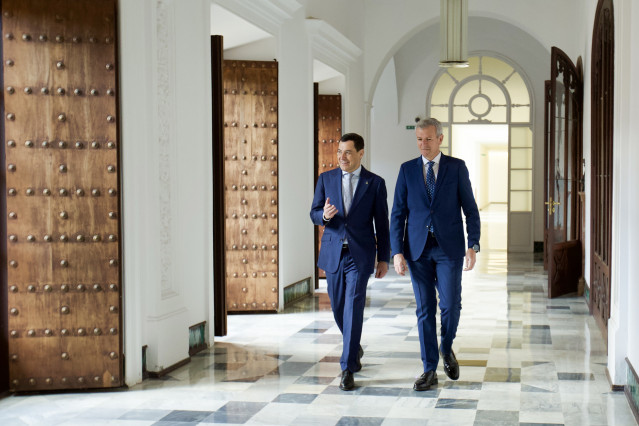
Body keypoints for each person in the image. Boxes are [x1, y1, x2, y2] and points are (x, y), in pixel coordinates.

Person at [390, 118, 480, 391]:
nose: (423, 145)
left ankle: (446, 346)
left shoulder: (456, 167)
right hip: (417, 250)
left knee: (451, 305)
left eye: (428, 139)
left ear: (440, 138)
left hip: (448, 248)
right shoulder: (407, 170)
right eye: (419, 139)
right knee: (425, 309)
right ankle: (429, 369)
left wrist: (473, 244)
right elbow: (397, 213)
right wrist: (396, 252)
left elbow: (470, 209)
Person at [310, 133, 390, 391]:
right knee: (337, 307)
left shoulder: (375, 183)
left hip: (361, 254)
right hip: (334, 253)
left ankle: (347, 368)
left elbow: (382, 224)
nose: (342, 157)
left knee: (354, 306)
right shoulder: (326, 179)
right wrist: (323, 215)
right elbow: (313, 212)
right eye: (339, 152)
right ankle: (353, 348)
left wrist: (384, 258)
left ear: (360, 153)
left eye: (347, 152)